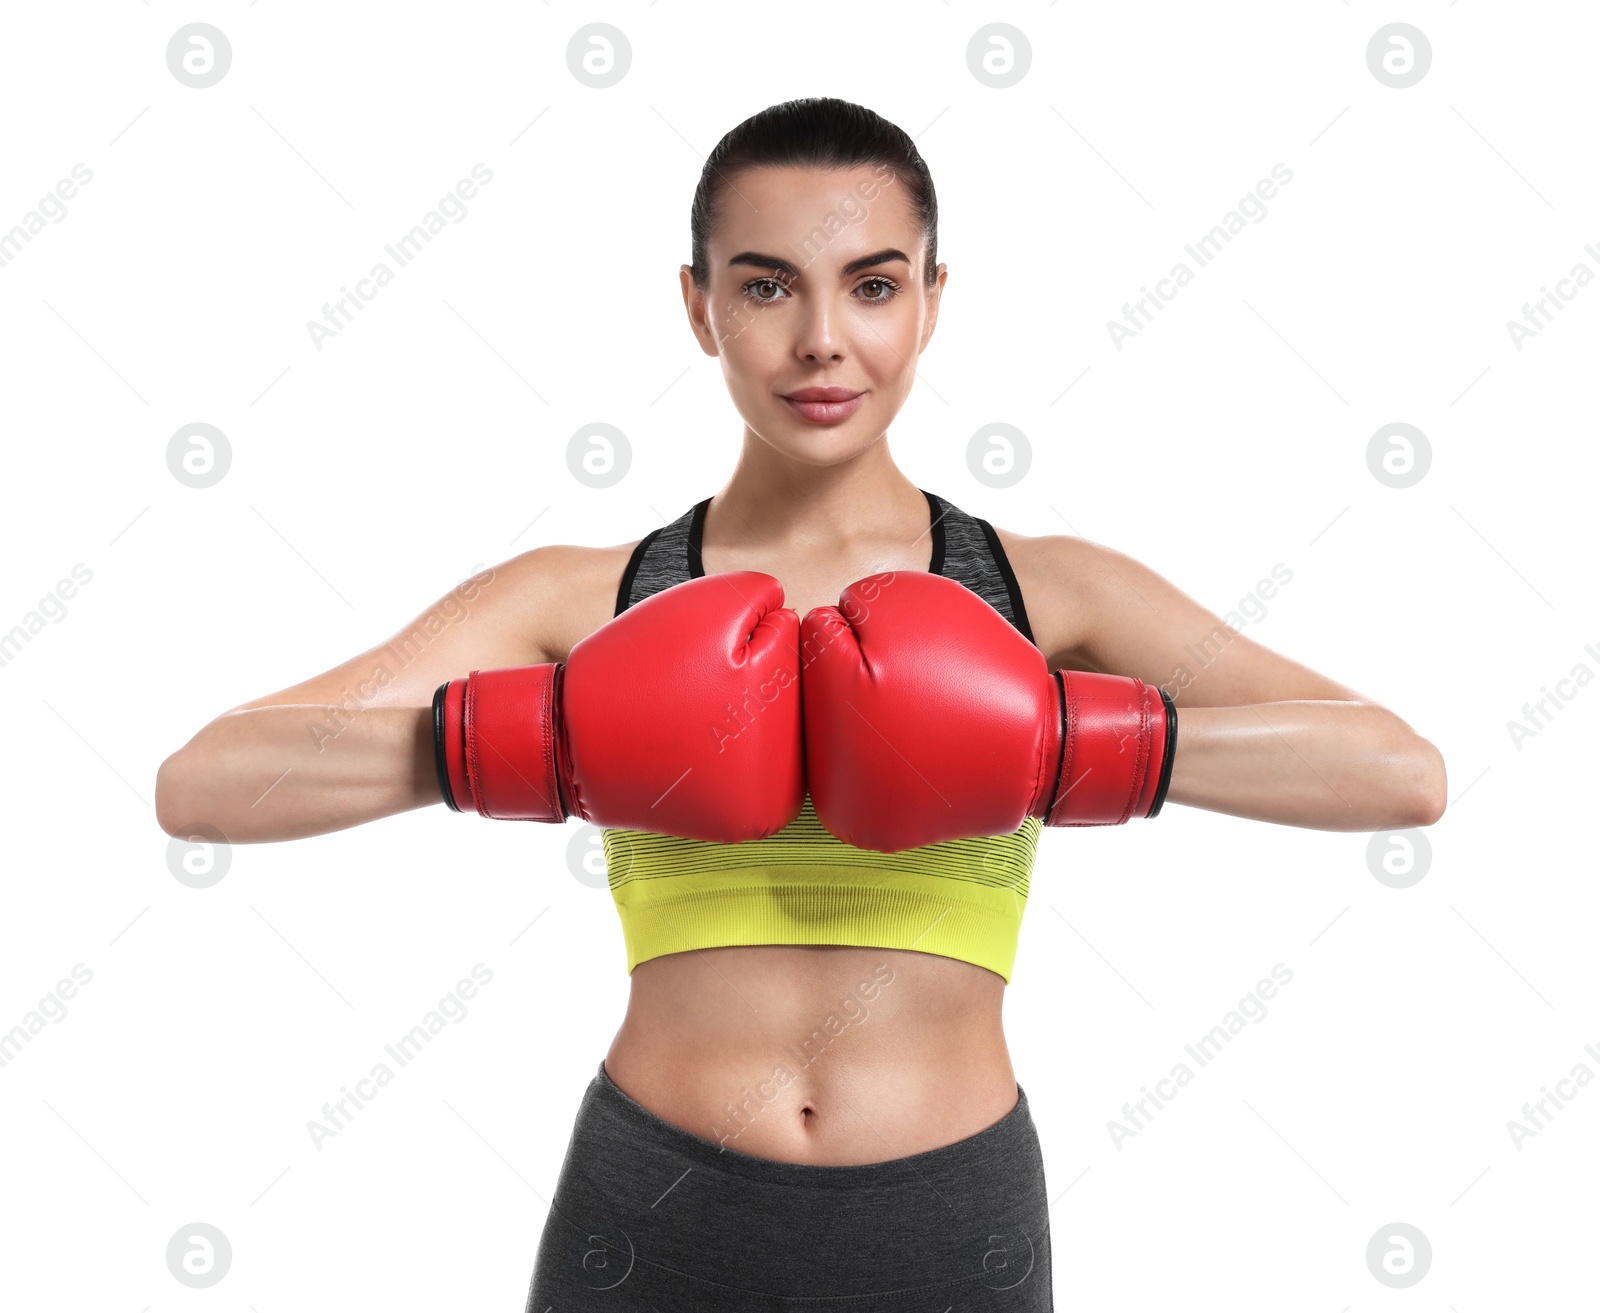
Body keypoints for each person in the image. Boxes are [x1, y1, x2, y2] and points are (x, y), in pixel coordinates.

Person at [155, 97, 1447, 1311]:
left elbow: (1397, 770)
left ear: (933, 304)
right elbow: (205, 782)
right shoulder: (589, 593)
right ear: (699, 307)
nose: (822, 338)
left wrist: (1064, 743)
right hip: (651, 1204)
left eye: (873, 284)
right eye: (766, 284)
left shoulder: (1046, 591)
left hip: (950, 1211)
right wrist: (527, 744)